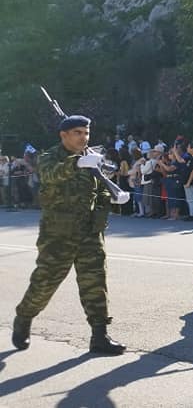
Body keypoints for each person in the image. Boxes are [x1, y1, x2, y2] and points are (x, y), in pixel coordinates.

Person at [11, 115, 125, 355]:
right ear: (63, 135)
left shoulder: (92, 158)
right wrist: (76, 164)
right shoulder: (49, 157)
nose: (83, 137)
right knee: (45, 283)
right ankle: (24, 316)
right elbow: (50, 174)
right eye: (78, 133)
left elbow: (99, 190)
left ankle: (99, 335)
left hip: (90, 233)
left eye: (86, 133)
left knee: (95, 283)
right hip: (58, 235)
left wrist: (111, 197)